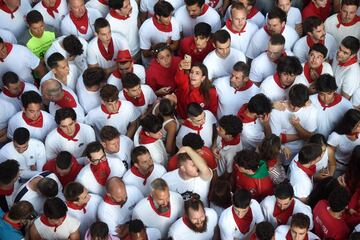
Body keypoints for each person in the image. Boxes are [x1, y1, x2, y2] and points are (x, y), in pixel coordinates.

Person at [270, 84, 318, 164]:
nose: (295, 109)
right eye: (293, 105)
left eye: (299, 106)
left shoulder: (312, 110)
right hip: (281, 153)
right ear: (289, 98)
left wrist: (297, 126)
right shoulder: (277, 111)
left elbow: (309, 135)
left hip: (301, 153)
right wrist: (300, 136)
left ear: (306, 103)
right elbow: (275, 139)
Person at [309, 74, 352, 138]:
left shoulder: (346, 106)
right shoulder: (310, 101)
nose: (326, 98)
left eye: (329, 93)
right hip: (314, 142)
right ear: (317, 91)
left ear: (335, 90)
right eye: (322, 94)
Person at [139, 1, 181, 66]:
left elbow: (175, 46)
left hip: (168, 61)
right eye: (166, 17)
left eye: (170, 15)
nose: (169, 19)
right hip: (151, 63)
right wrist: (166, 45)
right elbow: (146, 53)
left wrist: (155, 48)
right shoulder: (145, 28)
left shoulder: (174, 22)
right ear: (158, 16)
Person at [327, 109, 360, 177]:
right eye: (358, 126)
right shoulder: (336, 136)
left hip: (353, 168)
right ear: (350, 125)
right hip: (338, 168)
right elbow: (330, 155)